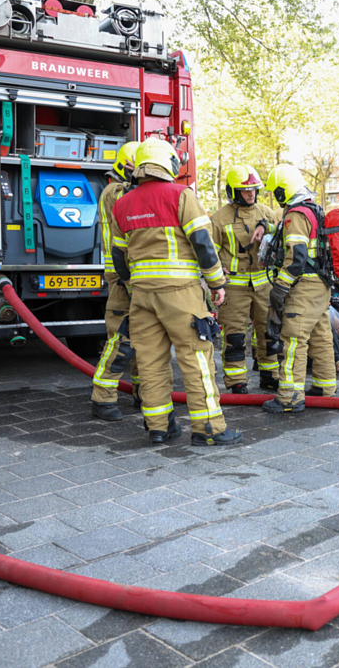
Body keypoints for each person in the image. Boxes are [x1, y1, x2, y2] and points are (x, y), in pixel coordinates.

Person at [112, 138, 240, 446]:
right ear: (167, 163)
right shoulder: (180, 195)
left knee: (150, 362)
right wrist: (217, 283)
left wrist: (134, 284)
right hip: (180, 293)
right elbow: (203, 243)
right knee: (196, 358)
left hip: (142, 296)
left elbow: (119, 256)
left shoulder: (122, 203)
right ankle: (209, 429)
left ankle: (159, 427)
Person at [261, 164, 337, 412]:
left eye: (276, 192)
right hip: (321, 286)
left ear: (283, 191)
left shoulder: (296, 215)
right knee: (321, 337)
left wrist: (280, 288)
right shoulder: (314, 209)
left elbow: (296, 258)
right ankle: (325, 387)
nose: (276, 197)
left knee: (293, 341)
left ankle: (289, 397)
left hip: (303, 287)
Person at [210, 164, 281, 394]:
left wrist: (265, 225)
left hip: (263, 285)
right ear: (233, 191)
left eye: (254, 189)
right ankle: (236, 381)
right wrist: (217, 273)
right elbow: (209, 251)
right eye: (245, 190)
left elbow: (280, 231)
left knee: (269, 332)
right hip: (235, 287)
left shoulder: (265, 212)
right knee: (235, 336)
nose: (251, 193)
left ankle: (270, 376)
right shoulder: (219, 218)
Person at [91, 141, 141, 422]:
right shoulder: (114, 191)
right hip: (122, 279)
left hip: (139, 277)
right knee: (121, 339)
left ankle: (142, 392)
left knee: (143, 339)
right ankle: (102, 398)